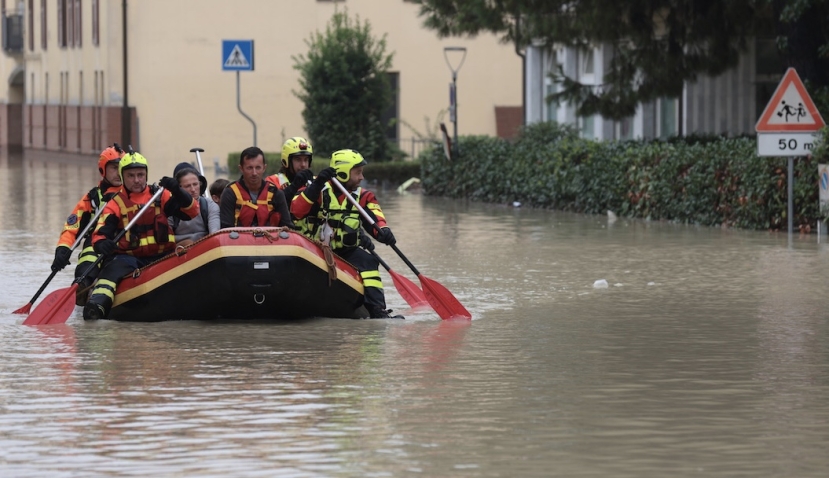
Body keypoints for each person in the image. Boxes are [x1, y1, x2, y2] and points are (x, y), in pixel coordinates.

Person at [83, 151, 200, 321]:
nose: (137, 180)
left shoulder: (160, 195)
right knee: (111, 271)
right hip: (129, 258)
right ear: (123, 176)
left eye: (141, 175)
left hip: (162, 255)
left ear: (146, 174)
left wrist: (178, 191)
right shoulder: (115, 203)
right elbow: (99, 235)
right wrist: (102, 245)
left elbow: (192, 212)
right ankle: (97, 305)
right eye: (131, 176)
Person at [291, 149, 401, 319]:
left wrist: (384, 232)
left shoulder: (364, 197)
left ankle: (377, 310)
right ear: (343, 173)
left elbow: (376, 219)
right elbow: (296, 211)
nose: (362, 177)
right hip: (316, 250)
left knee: (369, 261)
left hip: (345, 251)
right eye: (358, 172)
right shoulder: (317, 190)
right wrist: (317, 185)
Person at [51, 144, 125, 305]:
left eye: (121, 167)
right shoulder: (92, 198)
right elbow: (73, 225)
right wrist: (62, 249)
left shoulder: (133, 192)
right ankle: (81, 285)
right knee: (90, 251)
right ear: (103, 170)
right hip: (97, 242)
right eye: (113, 168)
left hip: (124, 242)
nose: (118, 172)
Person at [219, 146, 294, 229]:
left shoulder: (276, 193)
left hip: (270, 240)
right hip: (239, 241)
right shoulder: (230, 193)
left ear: (264, 168)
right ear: (241, 168)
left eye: (258, 168)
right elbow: (225, 230)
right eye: (249, 168)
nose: (254, 173)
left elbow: (288, 228)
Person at [169, 162, 220, 245]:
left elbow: (215, 234)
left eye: (195, 184)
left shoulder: (210, 205)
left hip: (205, 248)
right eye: (187, 186)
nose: (193, 189)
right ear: (178, 188)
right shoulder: (170, 208)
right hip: (178, 251)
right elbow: (166, 240)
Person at [266, 136, 315, 202]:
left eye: (306, 160)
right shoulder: (272, 181)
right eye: (298, 160)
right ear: (286, 161)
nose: (303, 164)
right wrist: (294, 186)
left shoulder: (315, 182)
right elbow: (272, 205)